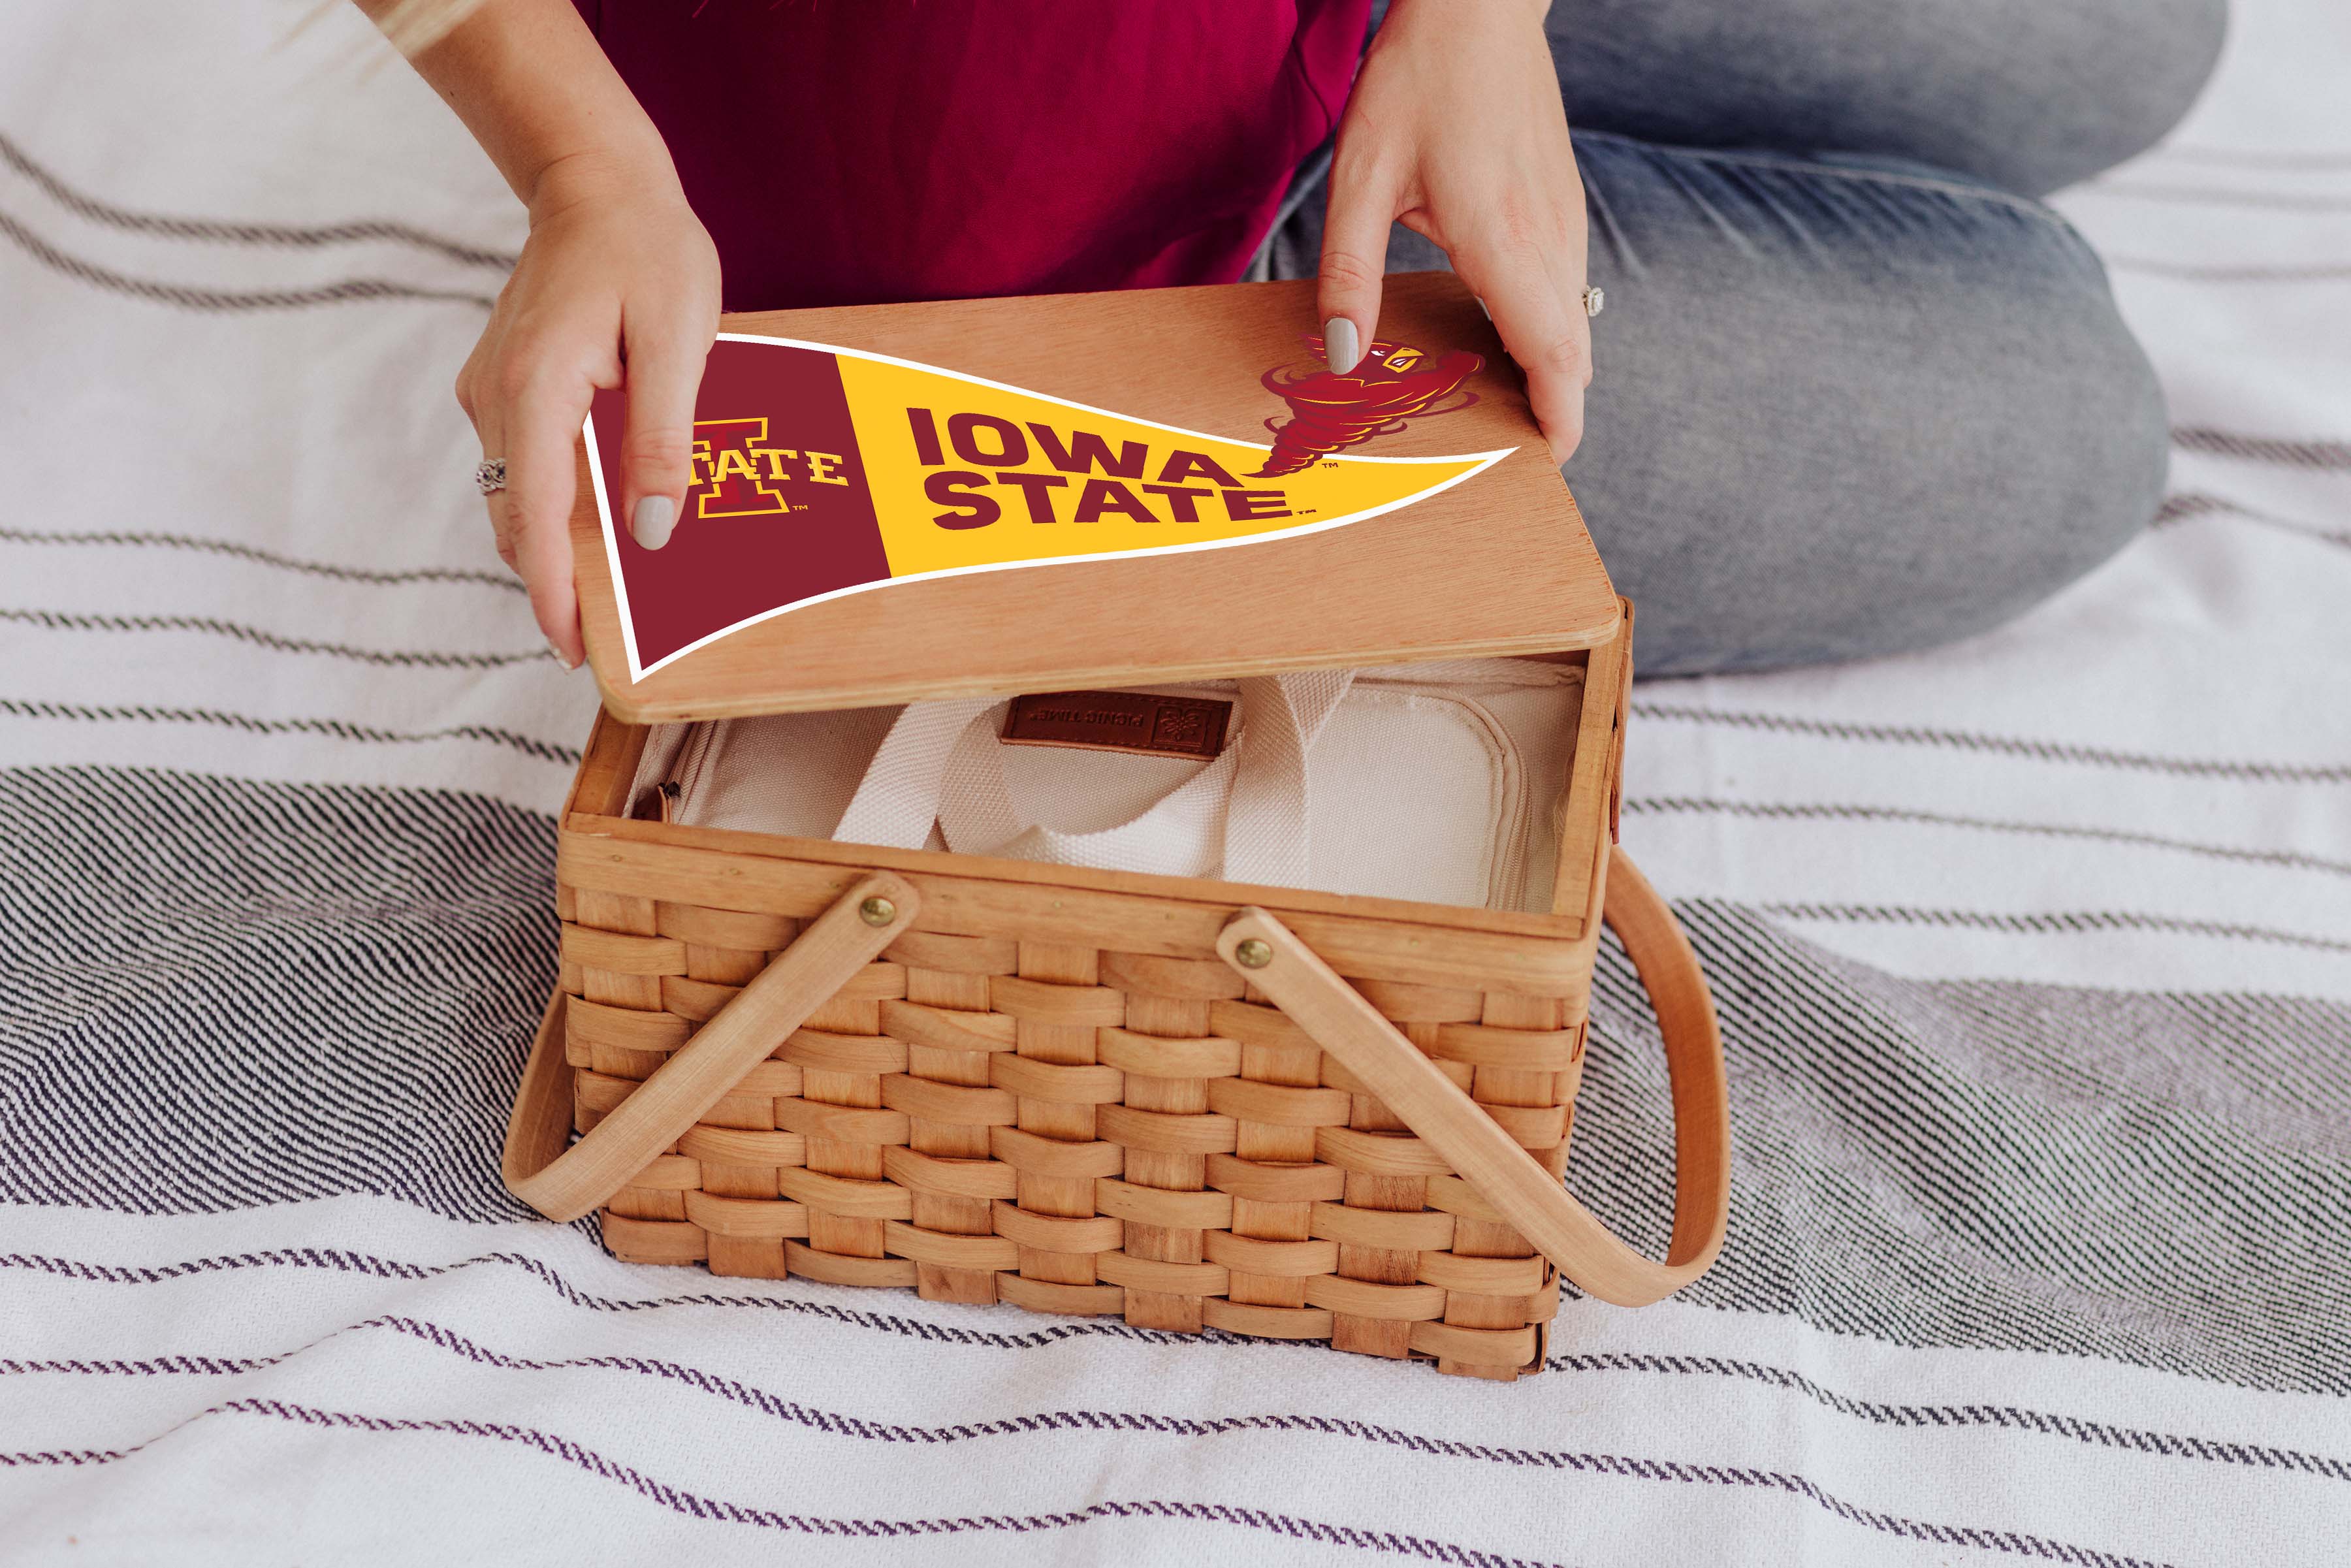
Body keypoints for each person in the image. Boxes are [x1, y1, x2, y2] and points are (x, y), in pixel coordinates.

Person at [364, 0, 2225, 677]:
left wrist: (1484, 18)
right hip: (1027, 238)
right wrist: (586, 157)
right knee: (2069, 410)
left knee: (2135, 30)